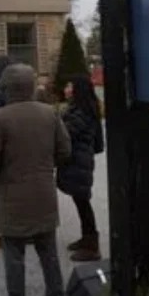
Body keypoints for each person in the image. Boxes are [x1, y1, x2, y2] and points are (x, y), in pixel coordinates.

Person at [0, 63, 71, 296]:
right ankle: (56, 292)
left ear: (8, 88)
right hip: (43, 193)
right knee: (48, 252)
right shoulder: (50, 113)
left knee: (14, 255)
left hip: (11, 196)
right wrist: (45, 169)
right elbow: (65, 151)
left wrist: (1, 178)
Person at [56, 75, 104, 262]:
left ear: (77, 89)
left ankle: (92, 246)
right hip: (80, 162)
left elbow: (65, 133)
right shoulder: (82, 109)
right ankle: (87, 238)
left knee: (83, 202)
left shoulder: (81, 112)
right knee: (81, 201)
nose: (66, 88)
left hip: (79, 163)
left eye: (69, 85)